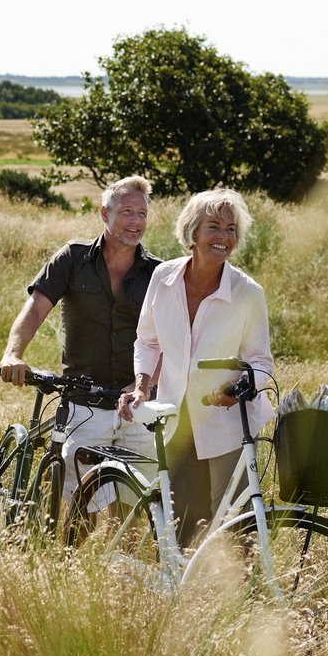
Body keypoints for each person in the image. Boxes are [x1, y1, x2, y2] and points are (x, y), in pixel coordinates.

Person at [120, 187, 272, 546]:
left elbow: (261, 362)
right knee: (181, 523)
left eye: (231, 229)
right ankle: (180, 581)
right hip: (175, 419)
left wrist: (237, 389)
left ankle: (236, 584)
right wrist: (141, 386)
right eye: (213, 227)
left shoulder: (247, 293)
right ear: (192, 232)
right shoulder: (163, 278)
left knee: (234, 526)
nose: (223, 237)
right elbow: (148, 341)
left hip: (227, 425)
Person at [0, 175, 161, 491]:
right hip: (84, 402)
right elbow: (35, 309)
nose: (135, 221)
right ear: (104, 213)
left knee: (136, 503)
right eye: (127, 212)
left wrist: (144, 385)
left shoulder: (158, 273)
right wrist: (13, 354)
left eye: (142, 213)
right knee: (81, 502)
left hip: (137, 404)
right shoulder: (73, 258)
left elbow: (168, 340)